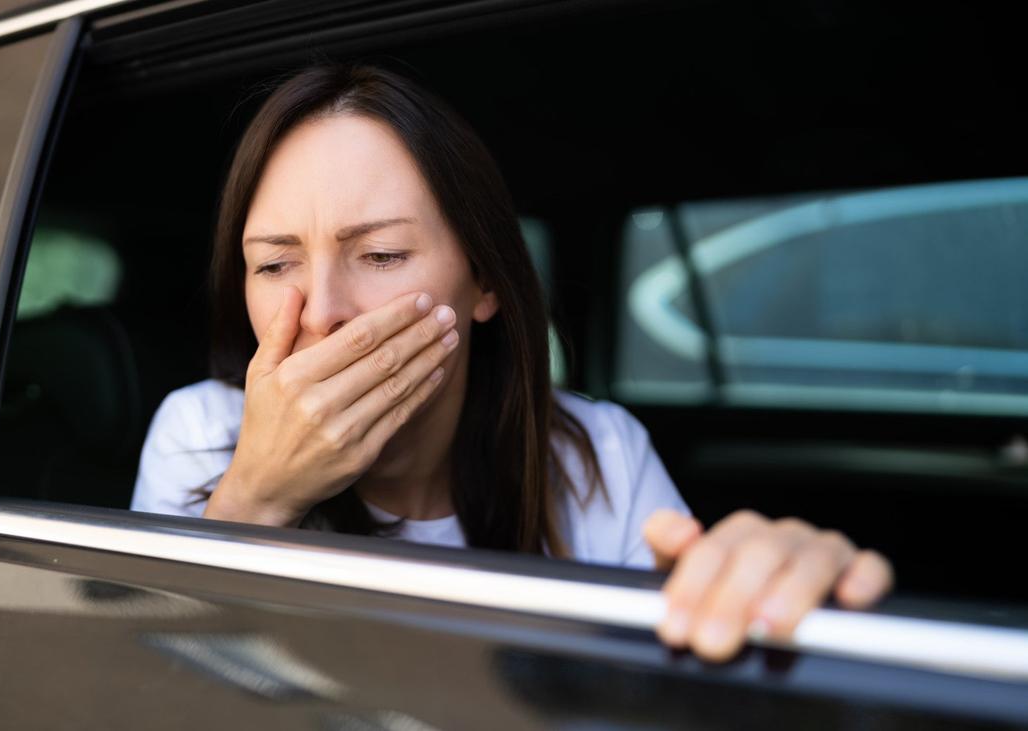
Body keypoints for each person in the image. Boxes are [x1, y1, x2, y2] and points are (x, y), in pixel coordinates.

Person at [131, 64, 892, 662]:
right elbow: (153, 689)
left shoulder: (598, 456)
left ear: (485, 281)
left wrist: (746, 595)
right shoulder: (198, 430)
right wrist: (255, 500)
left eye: (383, 254)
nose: (322, 309)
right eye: (274, 265)